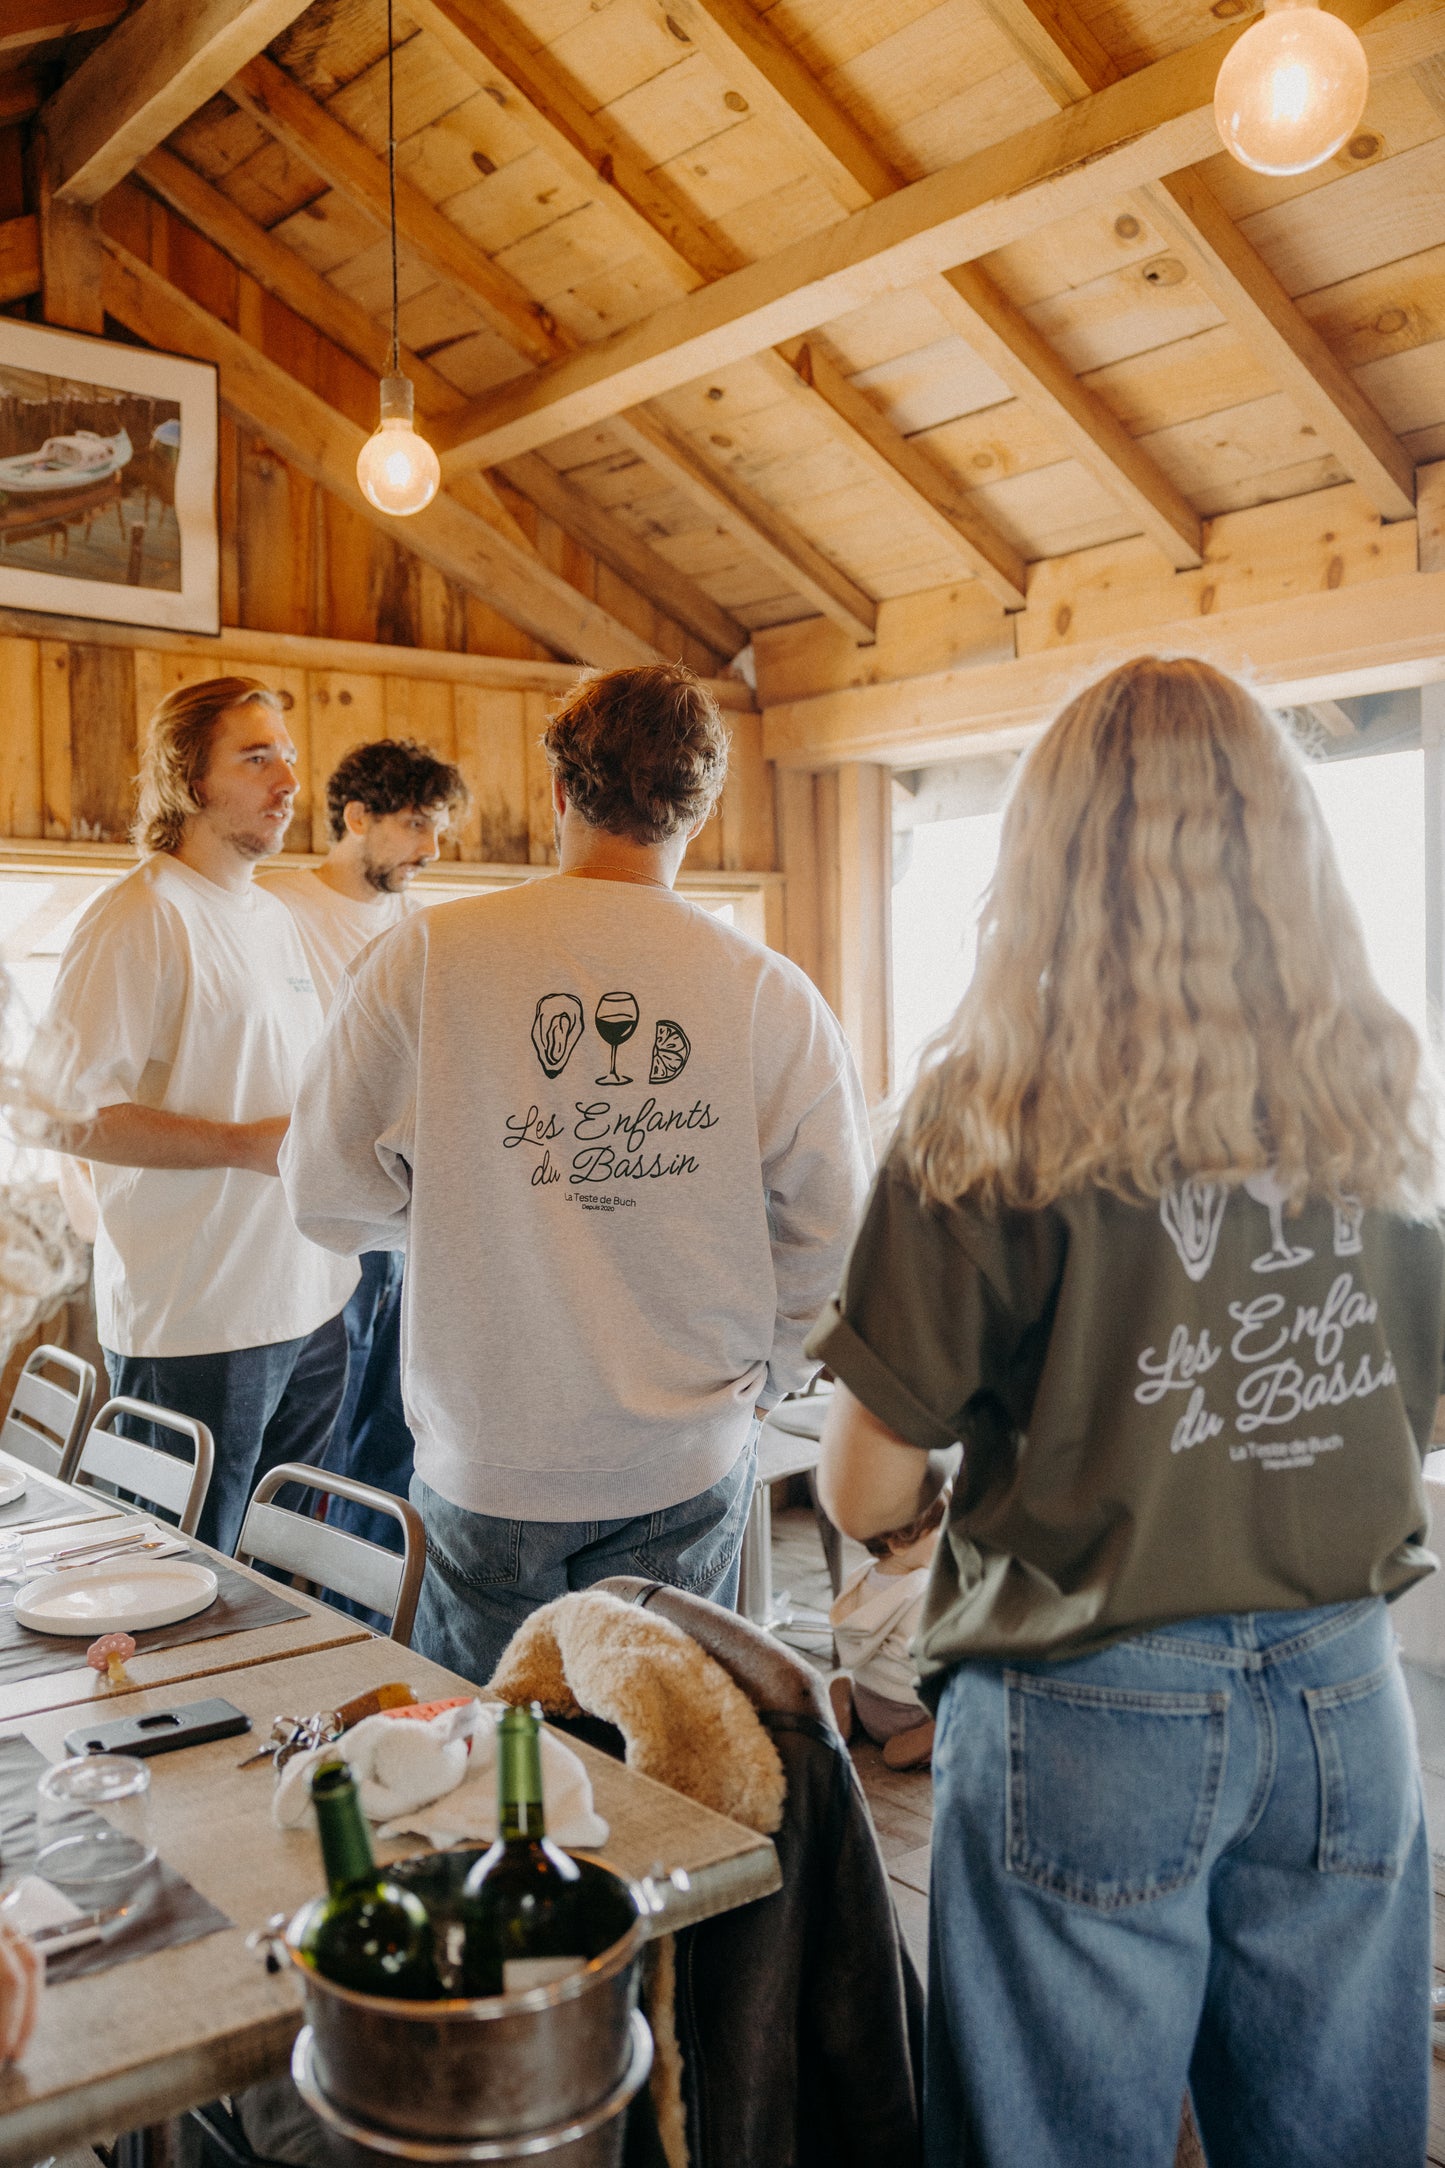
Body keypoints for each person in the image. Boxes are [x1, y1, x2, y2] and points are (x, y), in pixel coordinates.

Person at [812, 655, 1442, 2168]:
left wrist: (928, 1522)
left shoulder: (986, 1107)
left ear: (1046, 855)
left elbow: (856, 1482)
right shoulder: (1370, 1078)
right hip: (1346, 1687)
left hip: (1089, 1691)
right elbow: (1412, 1401)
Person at [282, 661, 873, 1684]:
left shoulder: (428, 957)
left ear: (558, 790)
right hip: (686, 1446)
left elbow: (323, 1195)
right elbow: (833, 1238)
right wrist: (767, 1376)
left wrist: (465, 1207)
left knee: (493, 1764)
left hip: (488, 1448)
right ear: (703, 803)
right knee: (664, 1770)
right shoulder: (768, 994)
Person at [35, 678, 358, 1555]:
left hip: (315, 1302)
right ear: (188, 776)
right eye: (257, 758)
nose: (288, 779)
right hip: (198, 1326)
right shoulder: (140, 914)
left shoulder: (273, 918)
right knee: (181, 1587)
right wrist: (241, 1147)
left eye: (288, 755)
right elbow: (58, 1116)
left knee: (292, 1589)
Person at [261, 740, 468, 1578]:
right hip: (313, 1217)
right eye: (417, 824)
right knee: (325, 1439)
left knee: (400, 1426)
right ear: (357, 818)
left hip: (409, 1212)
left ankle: (377, 1603)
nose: (432, 847)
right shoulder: (277, 907)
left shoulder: (416, 928)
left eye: (439, 828)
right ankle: (311, 1601)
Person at [827, 1488, 946, 1771]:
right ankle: (925, 1738)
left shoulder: (861, 1577)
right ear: (898, 1543)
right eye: (939, 1529)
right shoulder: (925, 1591)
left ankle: (846, 1709)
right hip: (910, 1715)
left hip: (867, 1704)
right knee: (971, 1701)